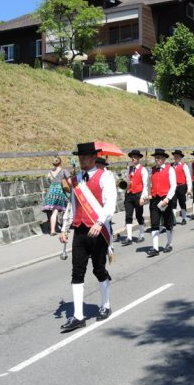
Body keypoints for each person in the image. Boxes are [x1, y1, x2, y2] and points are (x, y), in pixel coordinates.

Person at [59, 142, 117, 332]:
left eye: (85, 157)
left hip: (98, 230)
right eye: (80, 158)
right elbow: (72, 205)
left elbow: (110, 204)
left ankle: (106, 305)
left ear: (93, 158)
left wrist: (99, 222)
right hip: (80, 230)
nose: (82, 160)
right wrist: (65, 228)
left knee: (99, 269)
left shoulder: (105, 177)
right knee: (77, 272)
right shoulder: (76, 180)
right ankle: (78, 316)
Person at [147, 148, 177, 257]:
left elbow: (173, 185)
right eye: (156, 157)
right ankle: (155, 248)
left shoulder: (170, 169)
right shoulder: (152, 169)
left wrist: (167, 198)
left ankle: (169, 243)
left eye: (159, 157)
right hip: (154, 199)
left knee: (167, 222)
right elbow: (149, 183)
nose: (157, 159)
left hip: (165, 198)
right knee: (154, 223)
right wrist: (148, 194)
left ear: (164, 158)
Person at [121, 149, 148, 246]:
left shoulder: (143, 170)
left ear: (139, 158)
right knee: (128, 215)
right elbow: (129, 180)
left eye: (135, 157)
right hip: (129, 194)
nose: (133, 158)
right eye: (132, 157)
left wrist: (143, 197)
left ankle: (141, 235)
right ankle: (129, 237)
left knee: (139, 215)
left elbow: (145, 185)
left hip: (138, 194)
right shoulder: (130, 169)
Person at [42, 156, 70, 236]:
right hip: (59, 191)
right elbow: (69, 181)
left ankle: (53, 230)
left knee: (54, 211)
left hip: (51, 192)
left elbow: (48, 182)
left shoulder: (49, 173)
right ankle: (65, 228)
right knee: (67, 208)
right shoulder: (64, 171)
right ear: (60, 162)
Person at [171, 150, 192, 225]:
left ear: (180, 157)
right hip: (173, 187)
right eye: (175, 156)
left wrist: (189, 189)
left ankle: (184, 218)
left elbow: (188, 177)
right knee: (173, 203)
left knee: (182, 202)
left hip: (182, 186)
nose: (176, 157)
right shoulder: (171, 165)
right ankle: (173, 219)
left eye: (178, 156)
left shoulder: (184, 165)